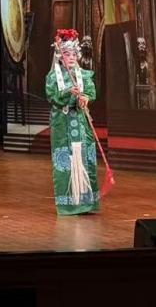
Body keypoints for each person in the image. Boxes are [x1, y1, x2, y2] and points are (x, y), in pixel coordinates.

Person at [46, 28, 100, 216]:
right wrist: (68, 93)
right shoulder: (53, 77)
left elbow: (91, 93)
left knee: (86, 159)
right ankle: (68, 204)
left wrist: (84, 98)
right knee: (65, 162)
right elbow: (52, 97)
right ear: (60, 57)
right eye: (66, 54)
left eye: (73, 54)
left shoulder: (84, 75)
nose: (70, 57)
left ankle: (87, 203)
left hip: (81, 123)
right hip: (62, 124)